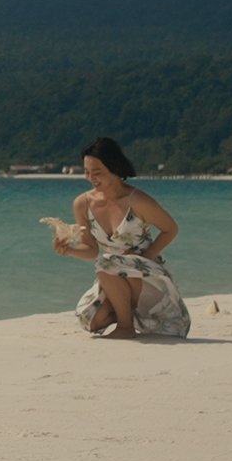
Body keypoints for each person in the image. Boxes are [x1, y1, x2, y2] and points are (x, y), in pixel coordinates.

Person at [51, 137, 190, 339]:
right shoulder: (82, 204)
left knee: (106, 263)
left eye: (97, 172)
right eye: (87, 172)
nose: (91, 178)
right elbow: (91, 250)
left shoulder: (137, 200)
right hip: (111, 272)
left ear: (114, 168)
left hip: (146, 274)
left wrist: (146, 256)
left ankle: (126, 327)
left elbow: (171, 229)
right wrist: (69, 250)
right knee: (89, 319)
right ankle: (130, 311)